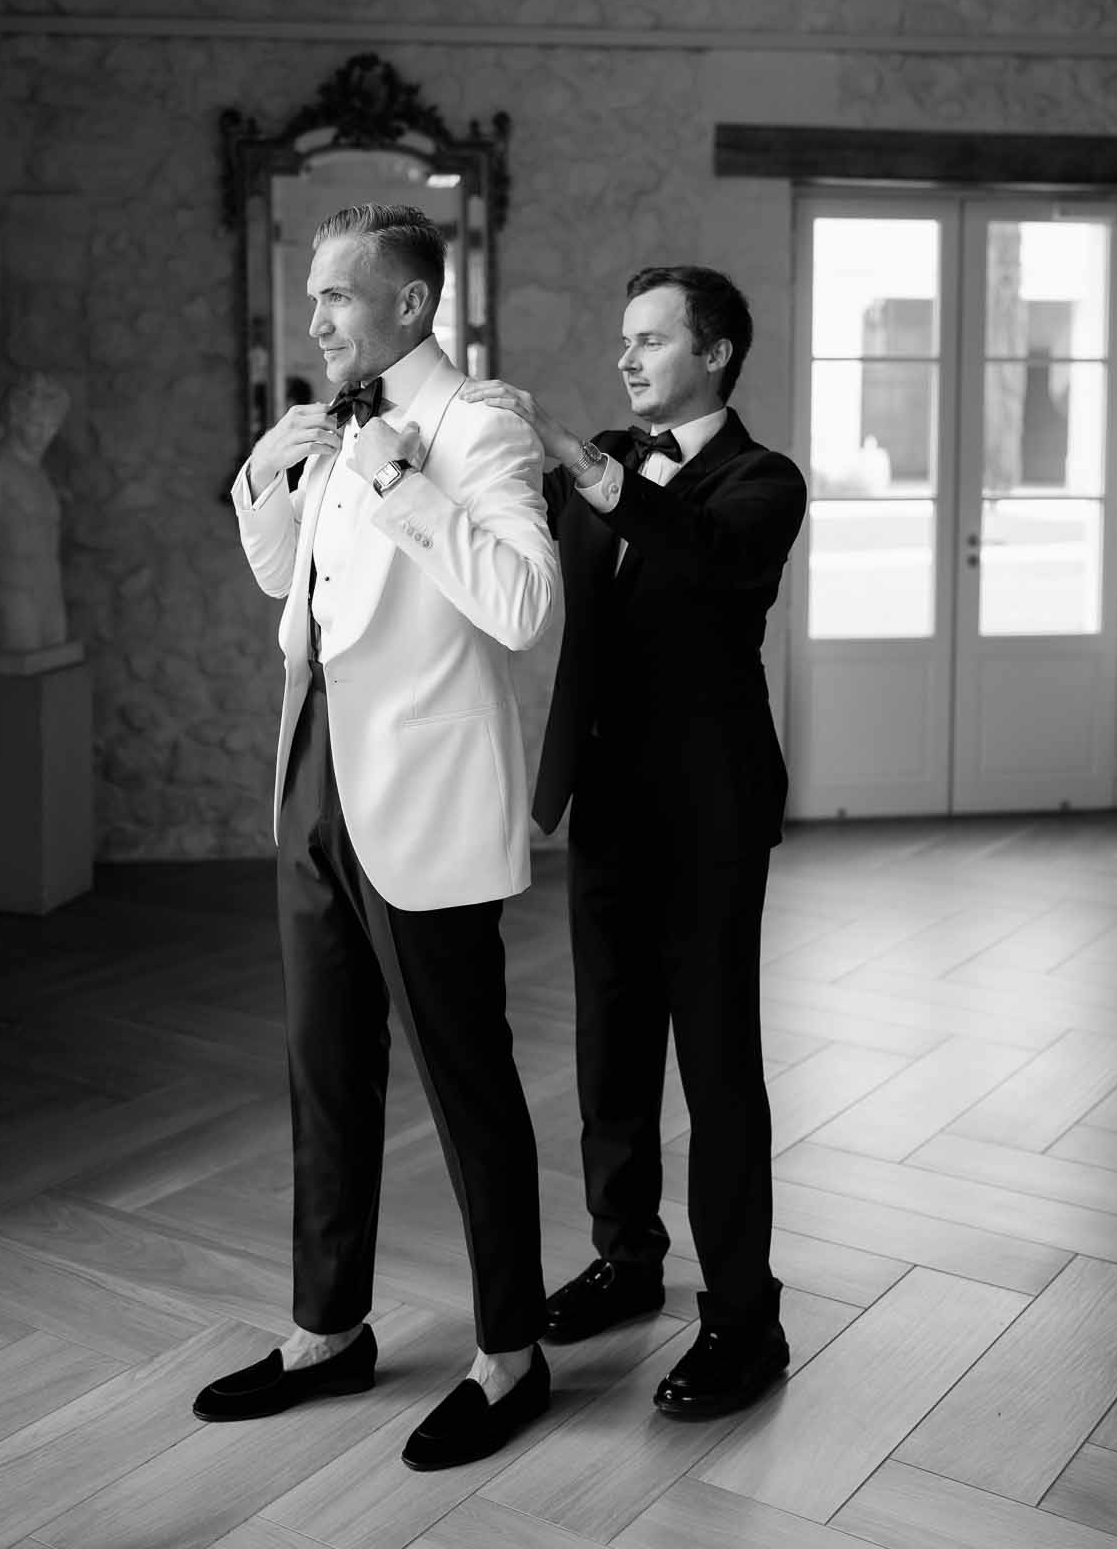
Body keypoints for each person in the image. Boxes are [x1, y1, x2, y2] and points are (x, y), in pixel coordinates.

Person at [195, 202, 558, 1471]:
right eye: (312, 297)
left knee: (467, 1083)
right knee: (322, 1069)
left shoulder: (481, 422)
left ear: (410, 304)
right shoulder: (340, 425)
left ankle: (511, 1354)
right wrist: (264, 477)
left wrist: (402, 474)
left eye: (336, 297)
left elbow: (519, 602)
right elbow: (294, 590)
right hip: (312, 773)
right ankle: (325, 1328)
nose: (315, 320)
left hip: (421, 794)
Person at [461, 264, 807, 1421]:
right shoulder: (605, 460)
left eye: (651, 339)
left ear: (712, 353)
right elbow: (522, 561)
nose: (627, 356)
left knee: (715, 1067)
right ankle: (627, 1256)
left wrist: (594, 469)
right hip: (606, 803)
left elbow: (708, 556)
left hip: (710, 812)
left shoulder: (764, 481)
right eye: (624, 338)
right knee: (611, 1048)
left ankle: (744, 1319)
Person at [0, 371, 72, 652]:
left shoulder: (42, 476)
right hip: (15, 594)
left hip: (50, 594)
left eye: (51, 426)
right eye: (36, 424)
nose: (44, 435)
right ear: (15, 420)